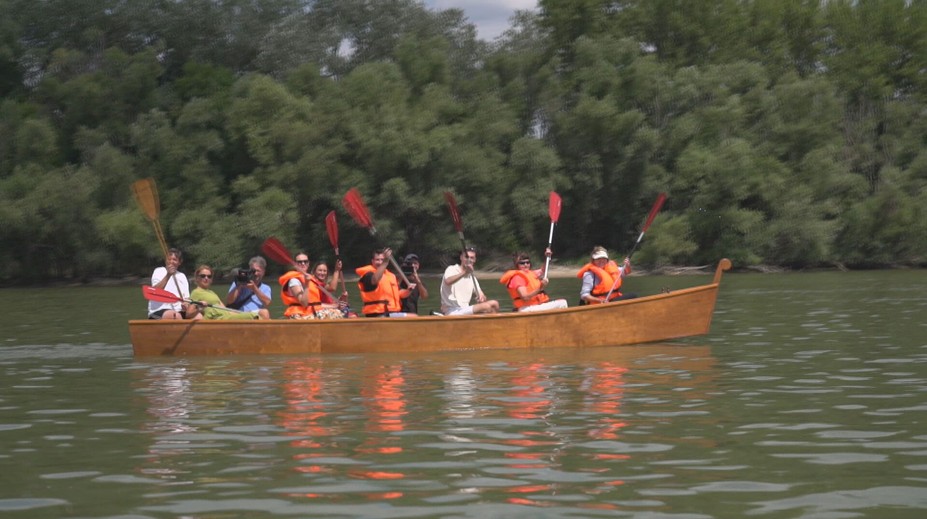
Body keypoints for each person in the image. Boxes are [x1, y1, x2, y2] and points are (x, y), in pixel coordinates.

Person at [500, 249, 568, 312]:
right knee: (562, 303)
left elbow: (543, 270)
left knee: (561, 301)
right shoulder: (518, 278)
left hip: (534, 306)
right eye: (522, 263)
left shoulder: (531, 273)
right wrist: (541, 287)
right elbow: (525, 297)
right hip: (526, 308)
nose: (526, 265)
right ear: (516, 265)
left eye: (527, 262)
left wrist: (547, 257)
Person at [278, 252, 342, 319]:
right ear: (295, 265)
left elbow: (315, 304)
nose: (303, 263)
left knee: (339, 312)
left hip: (311, 312)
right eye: (299, 262)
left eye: (305, 261)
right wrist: (307, 285)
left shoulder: (311, 279)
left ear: (308, 264)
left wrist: (335, 306)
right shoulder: (294, 281)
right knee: (337, 315)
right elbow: (304, 304)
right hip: (299, 314)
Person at [191, 265, 269, 320]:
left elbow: (225, 309)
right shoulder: (196, 292)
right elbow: (189, 313)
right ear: (197, 278)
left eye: (209, 276)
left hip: (226, 316)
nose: (206, 278)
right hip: (218, 318)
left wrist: (241, 314)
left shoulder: (211, 292)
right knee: (254, 316)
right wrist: (199, 308)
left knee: (262, 314)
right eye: (203, 276)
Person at [355, 248, 414, 317]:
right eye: (377, 260)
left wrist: (408, 290)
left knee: (413, 316)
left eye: (382, 260)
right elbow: (374, 280)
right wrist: (385, 262)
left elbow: (399, 294)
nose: (380, 262)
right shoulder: (368, 274)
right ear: (372, 261)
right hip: (377, 313)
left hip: (391, 312)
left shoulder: (391, 276)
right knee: (413, 317)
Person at [440, 247, 500, 316]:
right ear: (461, 258)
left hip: (465, 308)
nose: (469, 260)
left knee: (495, 304)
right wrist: (465, 272)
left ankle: (493, 323)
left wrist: (481, 298)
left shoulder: (472, 277)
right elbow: (448, 281)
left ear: (474, 260)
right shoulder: (451, 269)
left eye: (472, 258)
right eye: (466, 257)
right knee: (486, 307)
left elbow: (481, 294)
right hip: (452, 310)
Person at [147, 248, 201, 320]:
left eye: (174, 260)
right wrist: (168, 275)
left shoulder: (182, 276)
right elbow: (154, 292)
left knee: (198, 316)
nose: (171, 262)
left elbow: (186, 298)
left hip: (178, 310)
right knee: (175, 315)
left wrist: (186, 304)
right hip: (159, 311)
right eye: (169, 259)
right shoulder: (159, 271)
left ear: (179, 262)